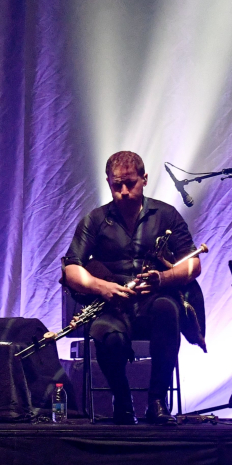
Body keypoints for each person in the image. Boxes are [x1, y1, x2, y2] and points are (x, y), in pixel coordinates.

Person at [61, 150, 201, 424]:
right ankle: (123, 401)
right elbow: (71, 269)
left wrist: (164, 278)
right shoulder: (95, 220)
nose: (124, 191)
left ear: (144, 179)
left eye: (130, 183)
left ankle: (157, 402)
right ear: (108, 182)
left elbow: (193, 264)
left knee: (168, 310)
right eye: (117, 185)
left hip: (153, 303)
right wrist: (102, 287)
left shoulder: (167, 215)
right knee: (107, 334)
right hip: (112, 305)